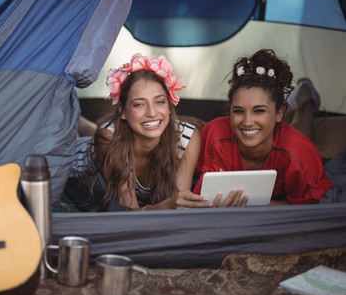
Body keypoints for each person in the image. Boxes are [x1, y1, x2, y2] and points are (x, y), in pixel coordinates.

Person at [63, 53, 212, 212]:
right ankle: (75, 119)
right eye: (139, 104)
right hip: (77, 170)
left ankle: (80, 120)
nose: (152, 113)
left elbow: (179, 204)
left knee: (101, 132)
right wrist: (168, 205)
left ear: (169, 106)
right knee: (92, 136)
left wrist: (175, 204)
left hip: (116, 136)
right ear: (123, 111)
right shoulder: (108, 139)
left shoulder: (188, 138)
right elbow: (129, 210)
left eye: (159, 101)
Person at [193, 49, 334, 205]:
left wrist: (252, 204)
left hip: (290, 145)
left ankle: (305, 100)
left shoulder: (297, 150)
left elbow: (309, 211)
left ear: (279, 113)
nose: (247, 122)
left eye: (258, 111)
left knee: (299, 137)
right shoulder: (215, 134)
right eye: (238, 111)